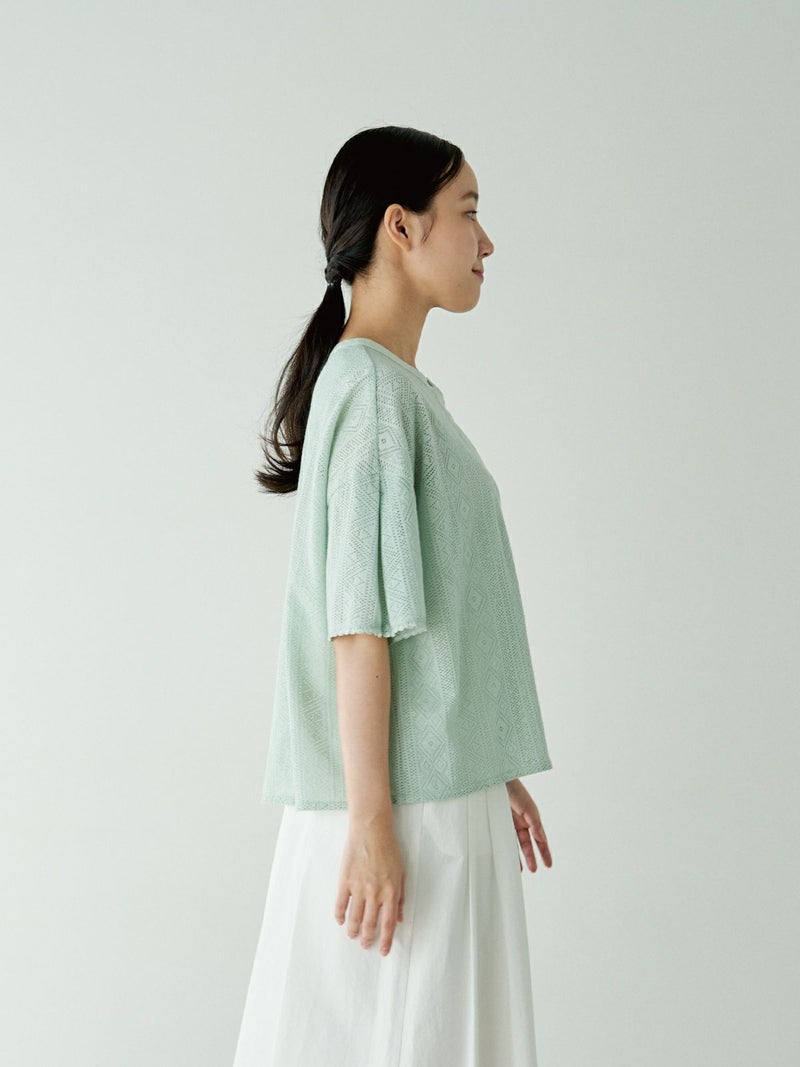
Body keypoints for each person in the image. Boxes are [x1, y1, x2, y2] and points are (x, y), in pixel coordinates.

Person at [232, 125, 554, 1067]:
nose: (486, 241)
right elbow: (359, 627)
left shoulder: (391, 388)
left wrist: (488, 757)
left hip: (432, 790)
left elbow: (430, 618)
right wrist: (374, 824)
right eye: (469, 212)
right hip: (406, 809)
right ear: (400, 228)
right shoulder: (373, 391)